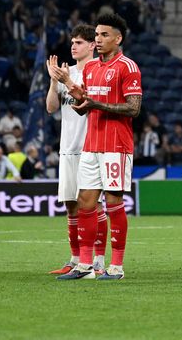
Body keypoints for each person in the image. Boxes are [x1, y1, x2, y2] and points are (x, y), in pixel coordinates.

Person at [56, 14, 142, 281]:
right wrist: (75, 94)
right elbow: (86, 107)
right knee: (85, 203)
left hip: (116, 145)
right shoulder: (91, 69)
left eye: (105, 35)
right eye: (97, 35)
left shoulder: (128, 67)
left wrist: (96, 105)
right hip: (91, 145)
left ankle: (116, 267)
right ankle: (84, 265)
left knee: (114, 203)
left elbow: (134, 108)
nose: (99, 39)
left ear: (118, 38)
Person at [45, 25, 108, 275]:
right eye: (72, 42)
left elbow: (87, 103)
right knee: (71, 206)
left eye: (79, 42)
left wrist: (66, 81)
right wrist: (53, 81)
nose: (73, 46)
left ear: (92, 45)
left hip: (91, 148)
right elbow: (51, 108)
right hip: (67, 147)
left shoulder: (98, 71)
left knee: (93, 206)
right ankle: (74, 260)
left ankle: (99, 261)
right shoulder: (64, 73)